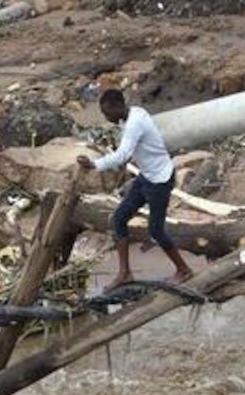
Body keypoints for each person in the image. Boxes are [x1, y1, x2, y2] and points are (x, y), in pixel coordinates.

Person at [77, 89, 192, 290]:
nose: (105, 117)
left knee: (156, 230)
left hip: (159, 180)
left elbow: (123, 155)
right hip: (147, 176)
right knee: (119, 219)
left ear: (117, 106)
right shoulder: (133, 114)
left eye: (106, 113)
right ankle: (125, 273)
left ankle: (183, 270)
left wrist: (94, 164)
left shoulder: (134, 124)